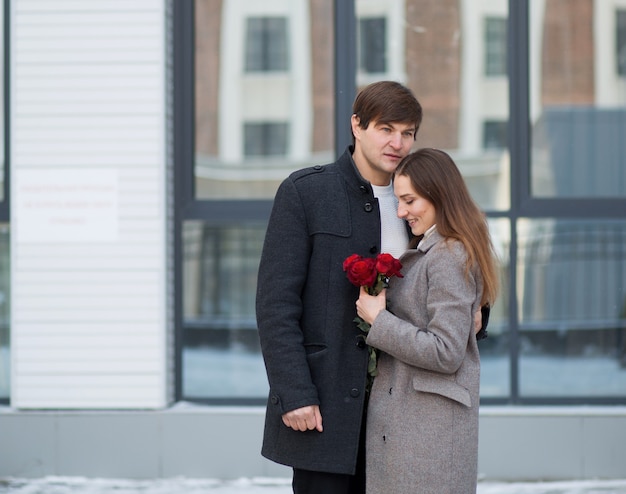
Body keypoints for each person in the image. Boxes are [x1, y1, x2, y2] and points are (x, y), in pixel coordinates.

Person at [255, 80, 423, 494]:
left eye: (408, 133)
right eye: (386, 129)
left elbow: (456, 264)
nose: (397, 143)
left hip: (404, 404)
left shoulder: (422, 197)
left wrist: (479, 311)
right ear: (357, 126)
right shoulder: (306, 192)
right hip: (325, 404)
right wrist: (294, 392)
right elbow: (276, 304)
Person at [356, 148, 499, 494]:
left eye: (409, 200)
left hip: (428, 436)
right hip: (416, 429)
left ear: (438, 194)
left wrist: (379, 321)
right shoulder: (433, 249)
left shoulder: (449, 254)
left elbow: (446, 352)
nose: (401, 211)